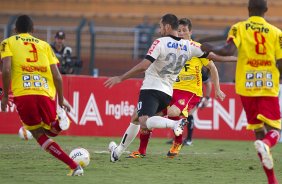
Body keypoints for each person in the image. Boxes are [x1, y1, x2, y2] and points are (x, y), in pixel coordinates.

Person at [104, 14, 224, 163]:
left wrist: (217, 89)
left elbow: (212, 67)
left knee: (172, 111)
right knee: (140, 116)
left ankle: (178, 141)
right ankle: (139, 151)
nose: (181, 33)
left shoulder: (195, 49)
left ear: (190, 32)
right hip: (171, 89)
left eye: (184, 30)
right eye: (179, 30)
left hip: (190, 92)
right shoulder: (173, 46)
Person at [201, 1, 282, 183]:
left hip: (245, 86)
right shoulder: (277, 33)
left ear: (248, 9)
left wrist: (209, 47)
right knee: (274, 129)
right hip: (267, 86)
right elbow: (281, 63)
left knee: (258, 132)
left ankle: (272, 180)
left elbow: (227, 49)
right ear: (266, 10)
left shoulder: (239, 28)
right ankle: (267, 144)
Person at [0, 15, 83, 176]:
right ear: (33, 30)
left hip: (24, 94)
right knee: (51, 131)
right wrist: (61, 99)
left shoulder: (7, 42)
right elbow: (57, 76)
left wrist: (4, 96)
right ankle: (59, 121)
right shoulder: (45, 45)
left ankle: (74, 166)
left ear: (15, 29)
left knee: (38, 134)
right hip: (45, 92)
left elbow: (7, 69)